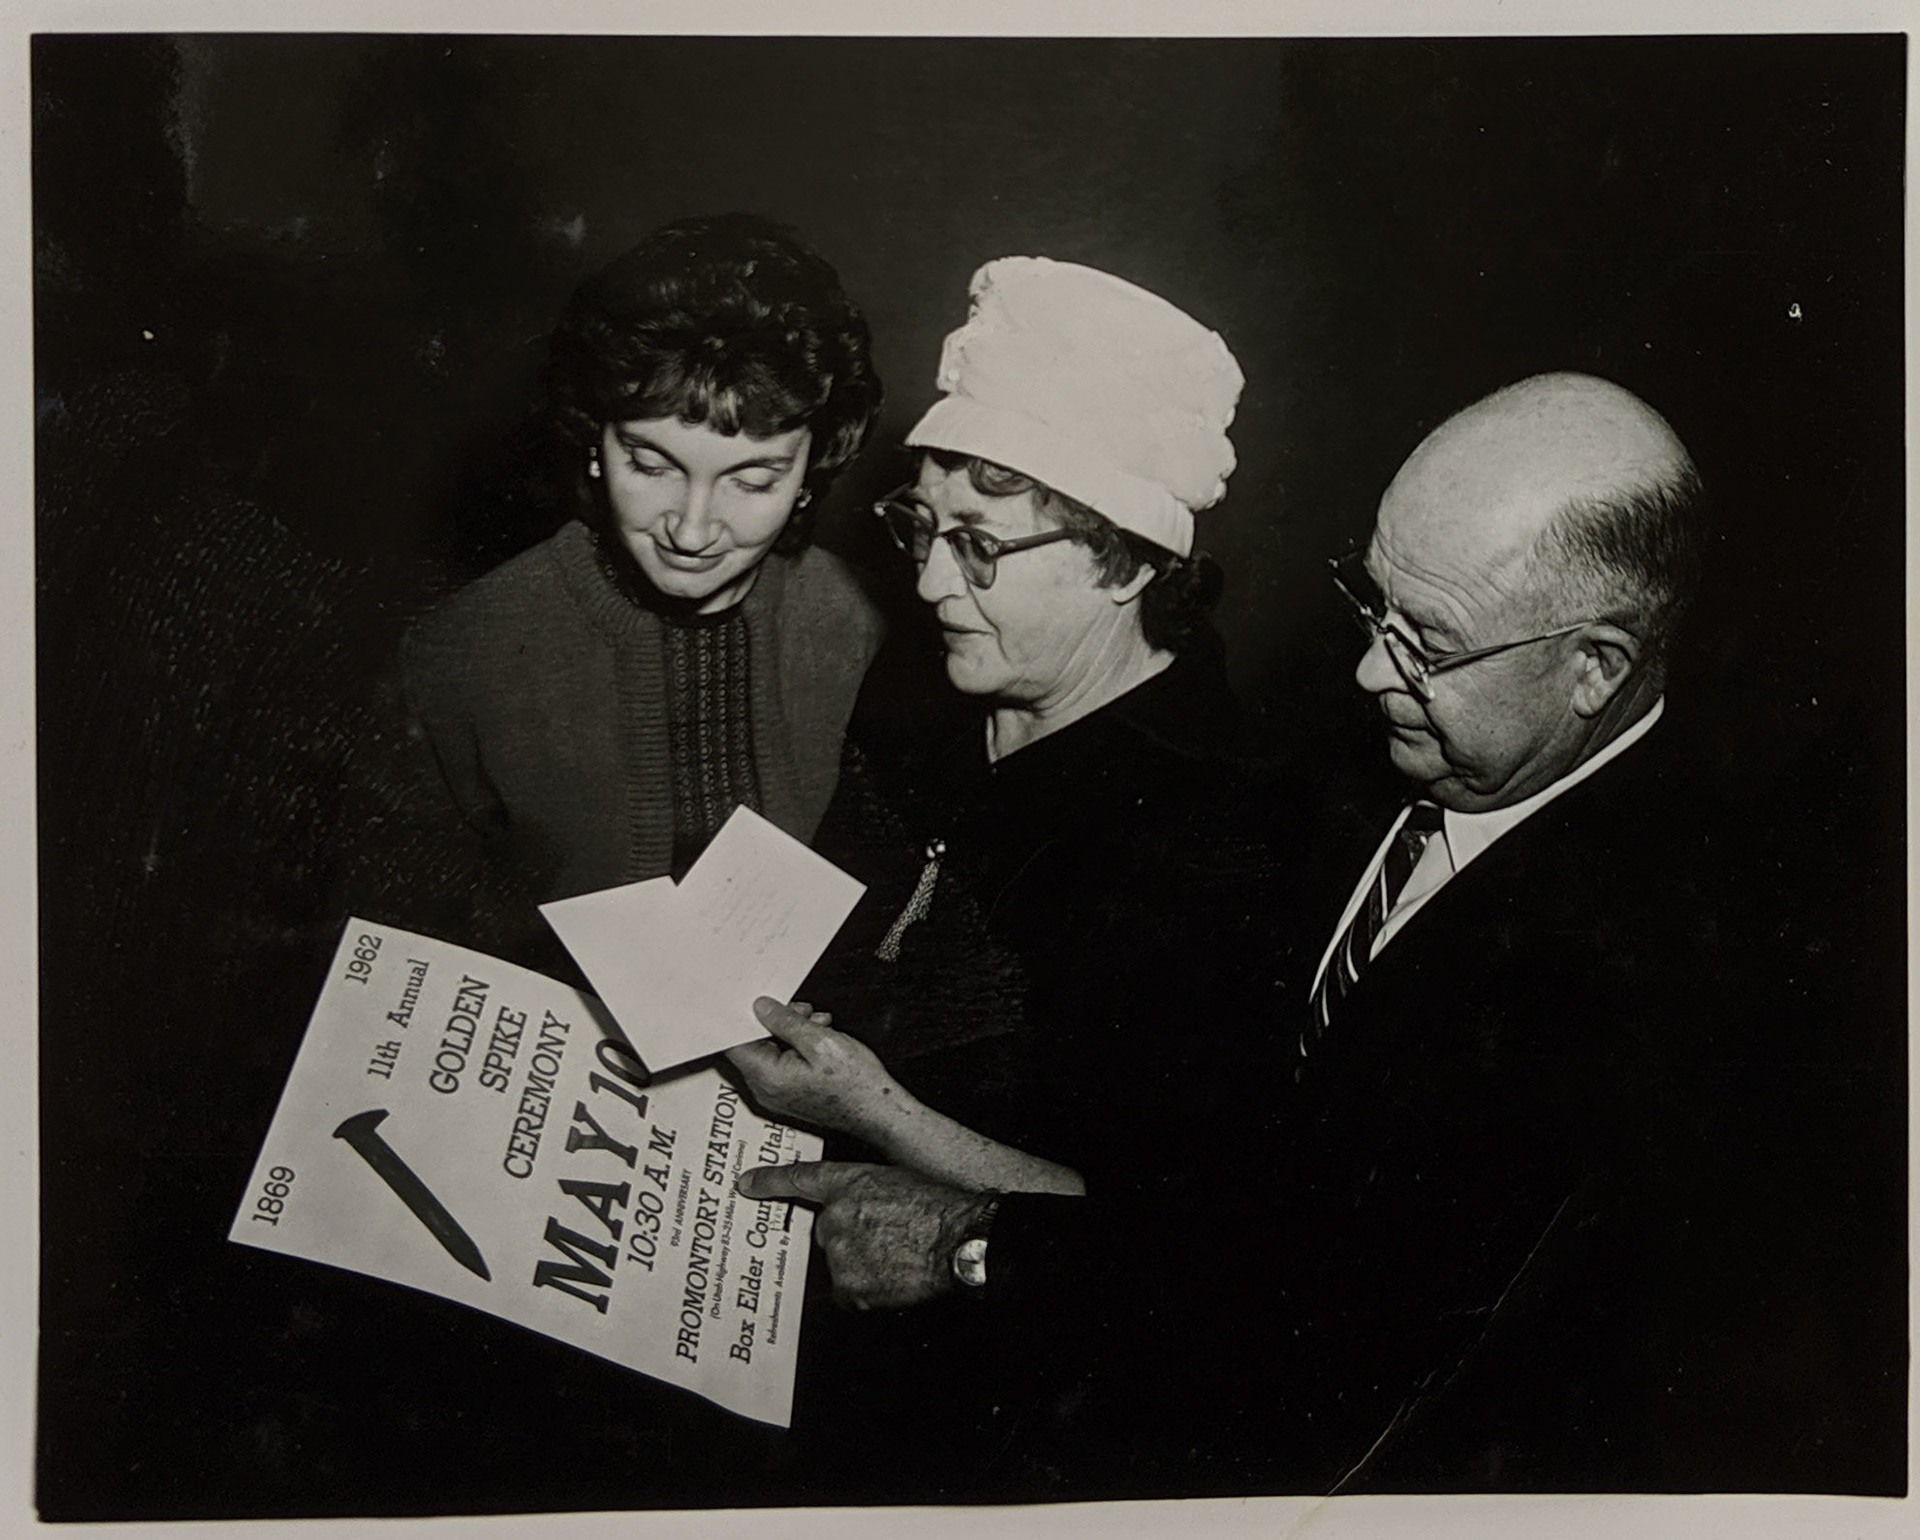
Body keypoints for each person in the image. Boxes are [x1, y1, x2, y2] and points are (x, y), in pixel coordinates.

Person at [742, 372, 1825, 1494]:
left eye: (1429, 643)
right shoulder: (1368, 759)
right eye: (1372, 602)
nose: (1367, 670)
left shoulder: (1647, 973)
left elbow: (1307, 1322)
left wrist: (965, 1243)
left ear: (1594, 665)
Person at [719, 257, 1296, 1496]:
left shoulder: (1213, 841)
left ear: (1130, 562)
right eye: (920, 529)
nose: (929, 583)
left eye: (980, 546)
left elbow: (1160, 1244)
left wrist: (878, 1111)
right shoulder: (934, 688)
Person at [352, 213, 885, 965]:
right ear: (594, 442)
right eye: (652, 463)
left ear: (809, 476)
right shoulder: (459, 652)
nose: (693, 530)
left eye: (754, 479)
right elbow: (390, 925)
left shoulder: (853, 621)